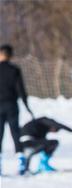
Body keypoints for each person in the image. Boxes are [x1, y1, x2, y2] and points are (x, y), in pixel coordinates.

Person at [0, 44, 33, 176]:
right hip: (12, 106)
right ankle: (21, 163)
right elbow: (21, 90)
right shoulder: (15, 70)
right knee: (15, 134)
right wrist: (26, 105)